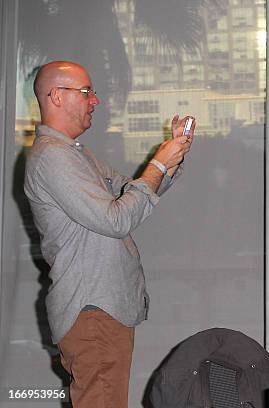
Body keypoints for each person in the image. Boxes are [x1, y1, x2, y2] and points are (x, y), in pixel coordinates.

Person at [23, 60, 195, 408]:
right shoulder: (53, 158)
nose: (95, 101)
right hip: (93, 311)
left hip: (100, 311)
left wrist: (169, 163)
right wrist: (159, 164)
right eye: (86, 92)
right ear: (56, 96)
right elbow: (117, 219)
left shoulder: (76, 154)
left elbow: (128, 191)